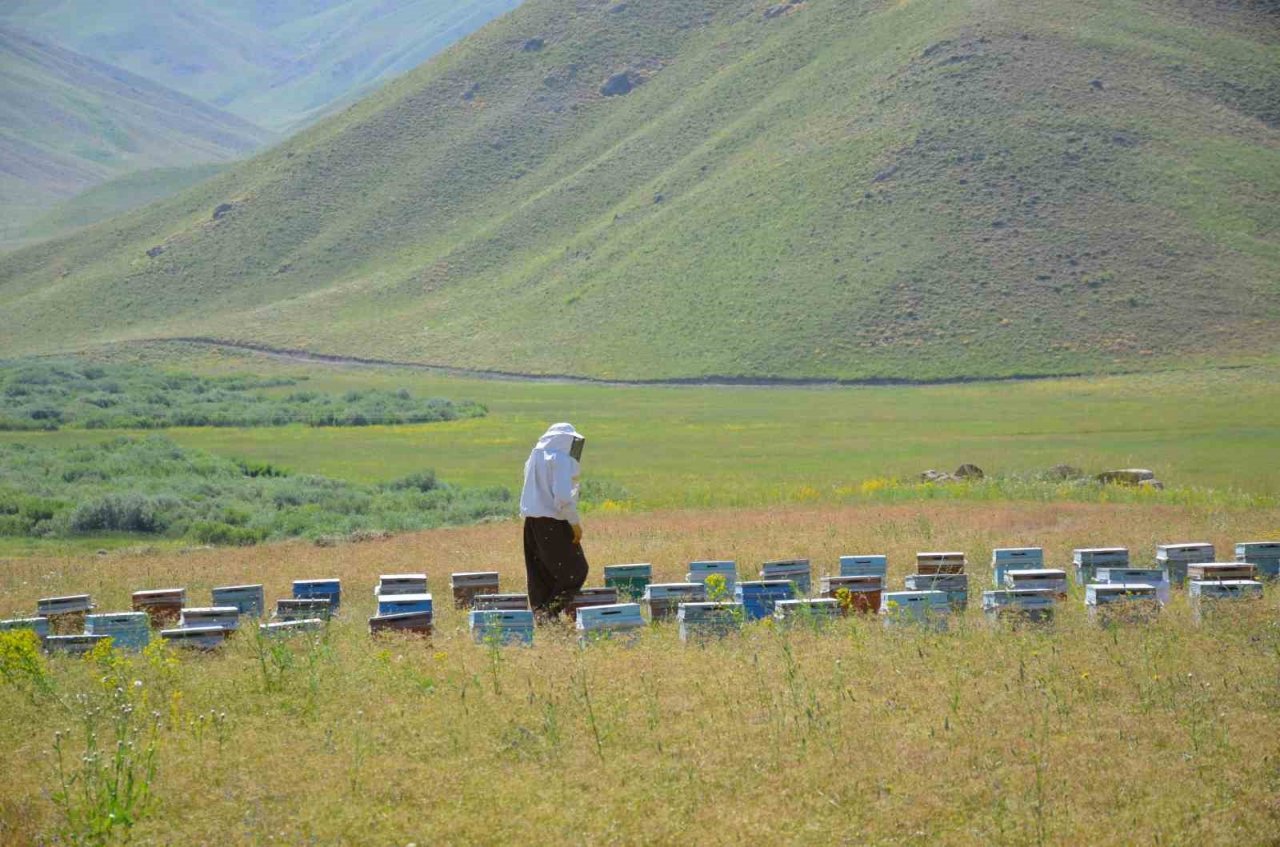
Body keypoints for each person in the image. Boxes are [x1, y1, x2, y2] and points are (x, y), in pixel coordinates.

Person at [520, 422, 589, 619]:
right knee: (576, 571)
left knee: (540, 574)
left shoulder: (534, 458)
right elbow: (563, 498)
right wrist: (575, 524)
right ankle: (548, 613)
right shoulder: (560, 459)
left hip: (531, 523)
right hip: (553, 523)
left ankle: (544, 619)